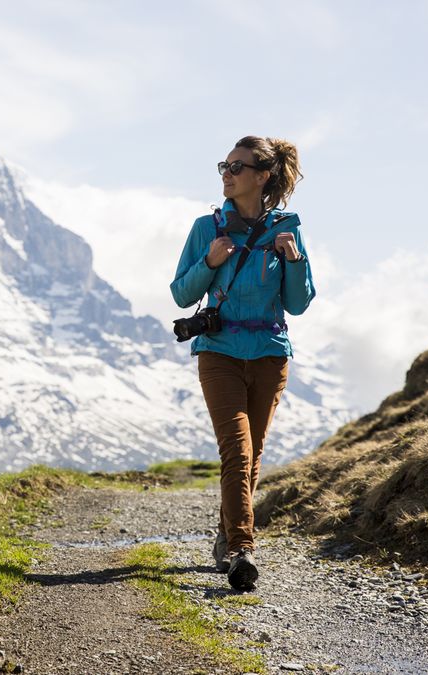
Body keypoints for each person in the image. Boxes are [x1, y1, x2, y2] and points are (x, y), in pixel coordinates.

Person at [169, 136, 315, 591]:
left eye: (236, 167)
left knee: (251, 457)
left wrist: (294, 261)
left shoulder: (287, 227)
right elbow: (182, 293)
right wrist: (209, 263)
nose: (227, 174)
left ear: (262, 176)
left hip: (271, 354)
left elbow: (298, 303)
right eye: (224, 167)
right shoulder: (206, 228)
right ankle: (241, 550)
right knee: (237, 450)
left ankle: (226, 534)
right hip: (219, 352)